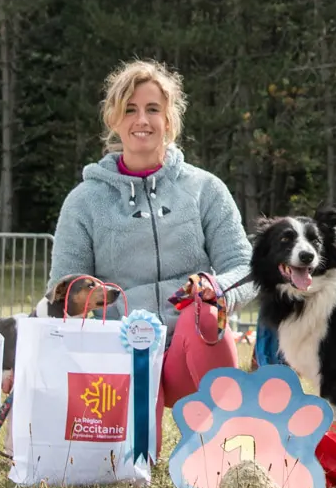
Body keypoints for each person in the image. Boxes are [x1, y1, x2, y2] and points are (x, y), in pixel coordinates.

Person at [46, 59, 252, 408]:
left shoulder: (206, 189)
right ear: (113, 119)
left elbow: (244, 266)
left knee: (205, 313)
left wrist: (217, 292)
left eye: (152, 109)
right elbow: (62, 295)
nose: (141, 120)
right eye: (130, 109)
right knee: (133, 460)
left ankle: (217, 438)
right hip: (119, 356)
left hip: (190, 354)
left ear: (169, 119)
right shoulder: (84, 201)